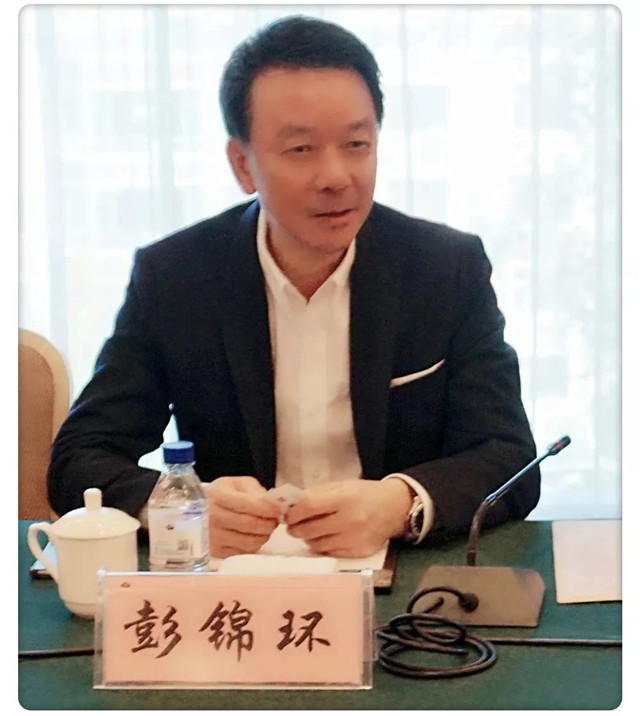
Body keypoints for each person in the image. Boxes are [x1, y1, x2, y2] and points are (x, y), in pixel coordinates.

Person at [47, 15, 540, 559]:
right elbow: (80, 459)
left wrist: (399, 504)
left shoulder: (444, 269)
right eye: (301, 149)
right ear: (243, 165)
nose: (336, 176)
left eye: (356, 144)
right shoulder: (177, 278)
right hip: (237, 581)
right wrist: (179, 506)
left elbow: (508, 456)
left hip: (401, 578)